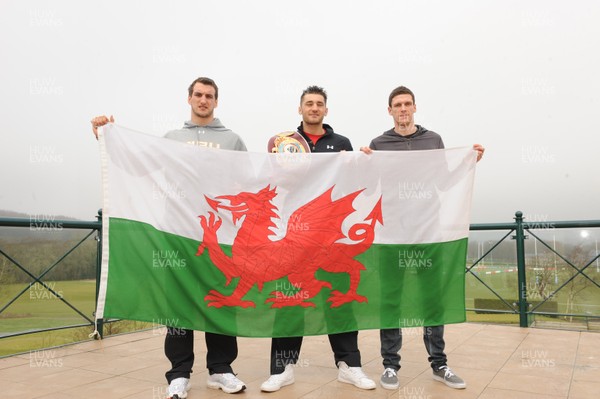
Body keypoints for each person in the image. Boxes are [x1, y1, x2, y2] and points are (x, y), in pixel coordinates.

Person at [91, 77, 247, 399]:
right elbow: (137, 166)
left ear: (217, 102)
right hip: (176, 234)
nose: (203, 100)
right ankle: (179, 373)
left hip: (218, 236)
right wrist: (107, 136)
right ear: (189, 98)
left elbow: (250, 179)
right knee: (176, 305)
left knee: (221, 300)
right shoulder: (171, 138)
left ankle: (221, 369)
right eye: (198, 94)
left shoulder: (233, 140)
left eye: (210, 96)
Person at [360, 85, 484, 391]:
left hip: (429, 232)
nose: (403, 109)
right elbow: (369, 185)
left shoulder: (433, 140)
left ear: (414, 108)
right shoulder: (379, 143)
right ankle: (390, 365)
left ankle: (439, 364)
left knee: (432, 299)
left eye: (407, 104)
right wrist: (362, 163)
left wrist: (470, 162)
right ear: (389, 111)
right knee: (391, 299)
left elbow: (442, 182)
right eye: (397, 105)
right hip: (393, 235)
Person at [259, 85, 377, 393]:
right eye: (309, 104)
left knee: (338, 300)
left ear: (326, 110)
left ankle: (349, 366)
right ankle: (282, 369)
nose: (314, 108)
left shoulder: (341, 143)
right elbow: (268, 181)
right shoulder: (284, 144)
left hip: (329, 239)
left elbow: (356, 183)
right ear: (299, 109)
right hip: (294, 238)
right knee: (289, 300)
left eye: (319, 104)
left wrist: (363, 161)